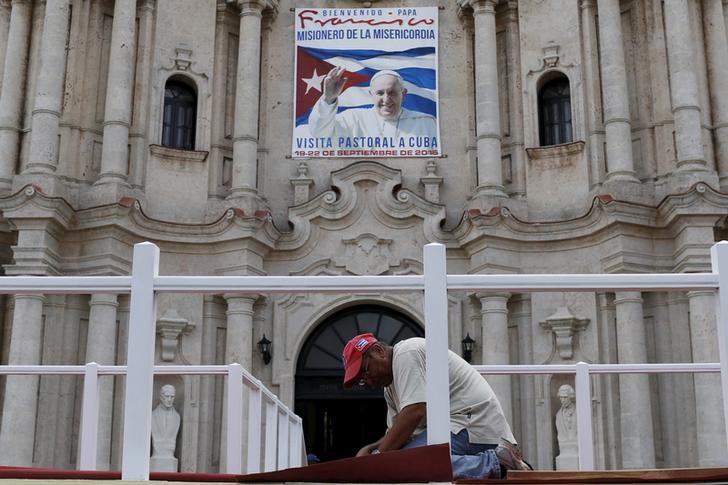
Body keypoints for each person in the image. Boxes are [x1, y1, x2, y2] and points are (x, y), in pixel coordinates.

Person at [342, 333, 532, 479]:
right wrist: (372, 449)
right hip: (457, 427)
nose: (367, 381)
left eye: (365, 371)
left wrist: (377, 459)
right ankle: (497, 461)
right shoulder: (390, 387)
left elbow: (414, 412)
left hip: (471, 424)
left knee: (404, 461)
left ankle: (497, 464)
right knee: (396, 460)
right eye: (361, 380)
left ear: (380, 352)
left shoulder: (406, 354)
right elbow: (398, 435)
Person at [308, 68, 437, 147]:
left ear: (403, 94)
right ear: (371, 95)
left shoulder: (425, 122)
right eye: (380, 93)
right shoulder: (353, 119)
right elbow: (319, 133)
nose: (386, 100)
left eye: (392, 92)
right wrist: (328, 98)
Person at [151, 384, 181, 460]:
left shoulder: (177, 417)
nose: (169, 399)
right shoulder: (152, 415)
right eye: (167, 396)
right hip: (156, 455)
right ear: (161, 397)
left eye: (172, 397)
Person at [555, 384, 578, 469]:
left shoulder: (579, 412)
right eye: (561, 397)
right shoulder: (558, 415)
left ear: (571, 397)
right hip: (564, 451)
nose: (562, 400)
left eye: (565, 397)